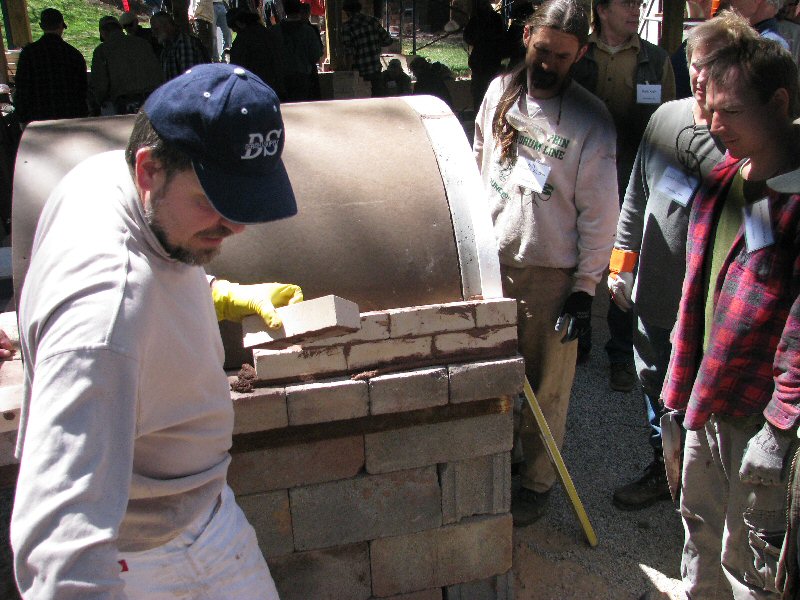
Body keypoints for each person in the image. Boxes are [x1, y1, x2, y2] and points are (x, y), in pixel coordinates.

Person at [10, 63, 303, 598]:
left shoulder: (108, 179)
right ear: (149, 171)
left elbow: (156, 268)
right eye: (213, 202)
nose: (235, 225)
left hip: (203, 516)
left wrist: (224, 295)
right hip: (148, 557)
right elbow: (60, 546)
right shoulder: (101, 317)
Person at [661, 37, 800, 598]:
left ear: (781, 102)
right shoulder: (723, 182)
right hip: (705, 402)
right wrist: (675, 398)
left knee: (755, 570)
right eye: (708, 107)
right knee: (700, 543)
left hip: (759, 419)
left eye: (731, 111)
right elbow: (694, 300)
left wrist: (779, 427)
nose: (714, 124)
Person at [473, 0, 618, 526]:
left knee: (545, 386)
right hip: (493, 260)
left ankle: (536, 482)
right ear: (527, 35)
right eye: (541, 49)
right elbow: (478, 162)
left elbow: (600, 214)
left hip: (551, 275)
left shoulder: (590, 122)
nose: (548, 63)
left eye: (562, 55)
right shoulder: (499, 93)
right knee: (496, 377)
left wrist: (584, 289)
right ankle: (502, 461)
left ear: (580, 53)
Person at [609, 11, 757, 511]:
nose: (698, 74)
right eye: (693, 61)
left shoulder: (745, 138)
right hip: (656, 286)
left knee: (703, 392)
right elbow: (636, 196)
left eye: (711, 63)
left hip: (711, 306)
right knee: (653, 375)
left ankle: (706, 491)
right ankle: (663, 463)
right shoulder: (665, 119)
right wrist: (621, 263)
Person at [571, 0, 675, 392]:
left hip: (632, 180)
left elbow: (666, 124)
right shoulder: (578, 51)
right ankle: (578, 340)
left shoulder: (656, 60)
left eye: (638, 3)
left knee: (623, 263)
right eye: (627, 3)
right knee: (578, 256)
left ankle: (620, 353)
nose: (635, 10)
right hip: (581, 178)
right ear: (602, 9)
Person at [13, 8, 87, 124]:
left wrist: (22, 118)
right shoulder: (73, 54)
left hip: (38, 119)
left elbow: (22, 89)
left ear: (41, 26)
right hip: (70, 117)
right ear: (61, 26)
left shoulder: (28, 54)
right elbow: (82, 89)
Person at [89, 16, 163, 116]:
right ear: (120, 29)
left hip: (123, 104)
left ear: (103, 32)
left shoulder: (102, 51)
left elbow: (100, 83)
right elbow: (157, 71)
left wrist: (97, 103)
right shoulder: (142, 43)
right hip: (152, 98)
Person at [228, 7, 288, 100]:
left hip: (255, 88)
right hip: (277, 85)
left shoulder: (243, 39)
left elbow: (237, 65)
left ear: (238, 24)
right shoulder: (269, 33)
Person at [340, 0, 393, 96]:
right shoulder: (372, 21)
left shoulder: (347, 27)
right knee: (378, 100)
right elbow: (388, 40)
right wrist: (375, 43)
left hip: (359, 73)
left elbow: (349, 52)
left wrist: (347, 71)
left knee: (362, 104)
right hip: (375, 69)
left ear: (347, 11)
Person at [463, 0, 509, 110]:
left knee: (484, 96)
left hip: (486, 63)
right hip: (486, 63)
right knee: (483, 96)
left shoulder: (480, 19)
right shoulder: (491, 19)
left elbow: (468, 38)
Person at [279, 0, 323, 101]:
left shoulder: (275, 31)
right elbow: (316, 55)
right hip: (303, 77)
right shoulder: (308, 31)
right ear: (299, 11)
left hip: (283, 78)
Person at [151, 11, 211, 80]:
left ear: (167, 26)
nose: (154, 34)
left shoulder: (185, 44)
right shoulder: (166, 48)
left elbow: (188, 79)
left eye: (156, 29)